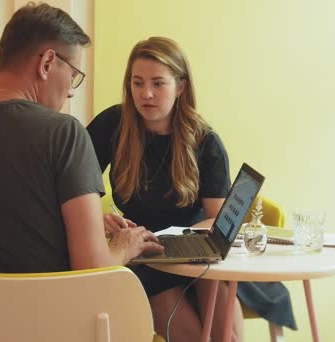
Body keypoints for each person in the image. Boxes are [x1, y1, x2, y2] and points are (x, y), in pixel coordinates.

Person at [0, 2, 163, 274]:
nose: (71, 92)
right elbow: (93, 270)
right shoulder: (65, 134)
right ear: (47, 63)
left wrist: (84, 222)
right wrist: (123, 246)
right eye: (74, 75)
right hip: (47, 315)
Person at [87, 36, 243, 342]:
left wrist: (182, 242)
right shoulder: (112, 125)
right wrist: (96, 218)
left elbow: (216, 220)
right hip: (144, 253)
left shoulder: (205, 141)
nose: (146, 94)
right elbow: (75, 190)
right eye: (137, 83)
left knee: (229, 338)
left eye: (158, 83)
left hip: (196, 248)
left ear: (180, 87)